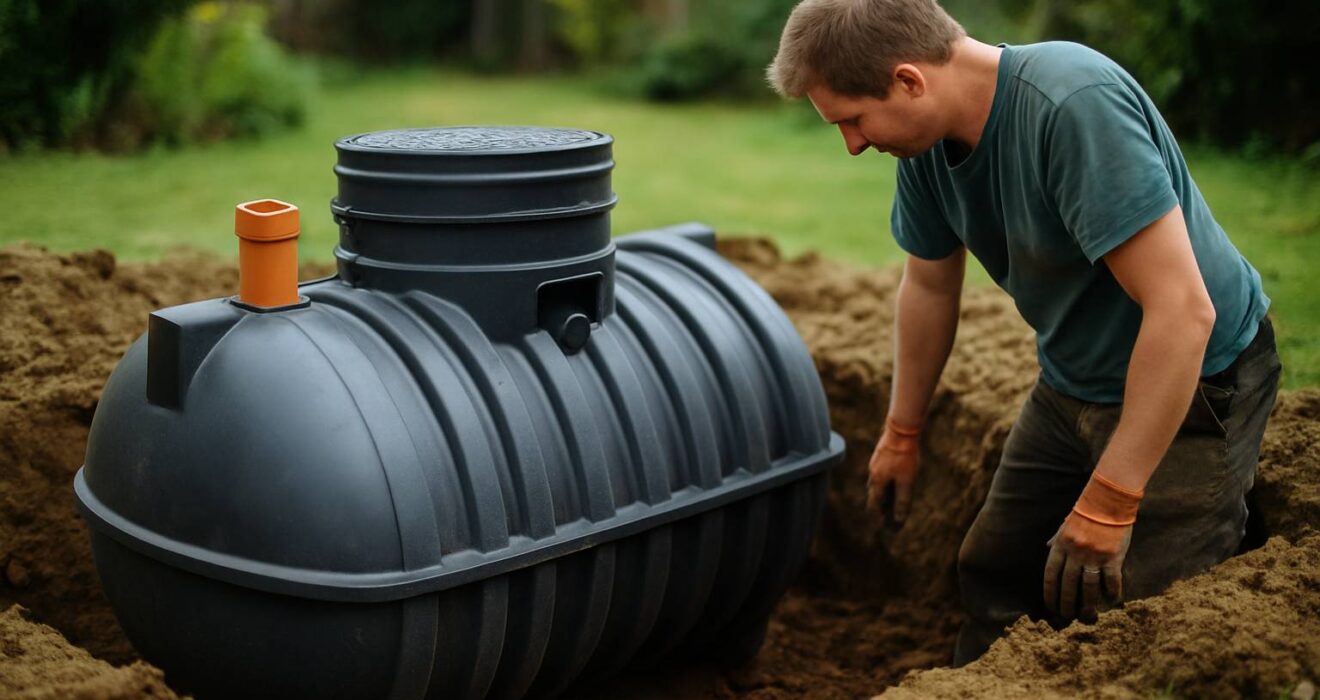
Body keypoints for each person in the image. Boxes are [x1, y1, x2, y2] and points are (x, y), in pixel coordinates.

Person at [767, 0, 1282, 664]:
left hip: (1198, 381)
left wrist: (1113, 498)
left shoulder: (1072, 105)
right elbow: (928, 287)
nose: (854, 144)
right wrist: (902, 432)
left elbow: (1184, 312)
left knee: (1140, 609)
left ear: (908, 80)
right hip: (1071, 380)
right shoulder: (925, 148)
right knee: (994, 571)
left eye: (852, 120)